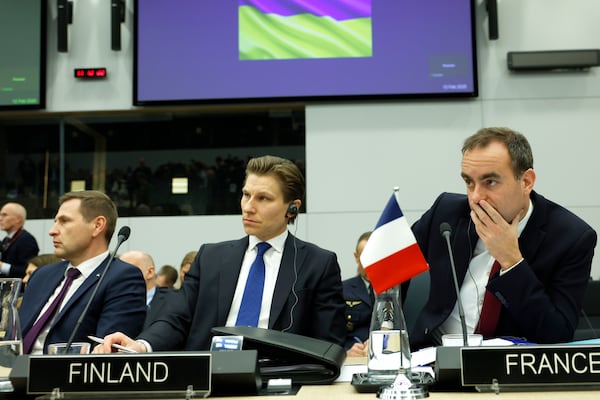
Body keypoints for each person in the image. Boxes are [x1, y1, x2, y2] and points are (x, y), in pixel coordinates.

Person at [97, 155, 346, 353]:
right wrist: (140, 345)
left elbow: (329, 344)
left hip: (279, 383)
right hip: (207, 380)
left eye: (263, 198)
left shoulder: (318, 264)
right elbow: (176, 318)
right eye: (246, 195)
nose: (249, 207)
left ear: (292, 208)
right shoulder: (210, 257)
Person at [409, 127, 597, 349]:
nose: (476, 196)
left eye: (490, 182)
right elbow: (390, 269)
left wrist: (511, 261)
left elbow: (556, 335)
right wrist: (383, 330)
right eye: (469, 182)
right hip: (433, 358)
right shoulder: (446, 213)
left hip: (511, 368)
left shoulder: (571, 237)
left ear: (526, 181)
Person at [19, 190, 147, 354]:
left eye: (64, 221)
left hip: (59, 375)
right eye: (55, 221)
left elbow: (107, 353)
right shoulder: (41, 275)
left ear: (97, 225)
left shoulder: (123, 278)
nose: (52, 230)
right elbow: (13, 337)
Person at [119, 250, 173, 330]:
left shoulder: (172, 301)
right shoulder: (114, 301)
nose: (120, 276)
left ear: (150, 272)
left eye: (127, 270)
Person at [342, 231, 373, 356]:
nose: (370, 262)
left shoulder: (395, 290)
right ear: (356, 257)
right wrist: (345, 352)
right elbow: (333, 333)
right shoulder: (342, 290)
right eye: (365, 256)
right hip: (355, 355)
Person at [0, 202, 40, 278]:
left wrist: (2, 266)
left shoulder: (27, 240)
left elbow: (27, 270)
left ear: (18, 219)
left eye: (4, 215)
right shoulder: (6, 239)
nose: (0, 218)